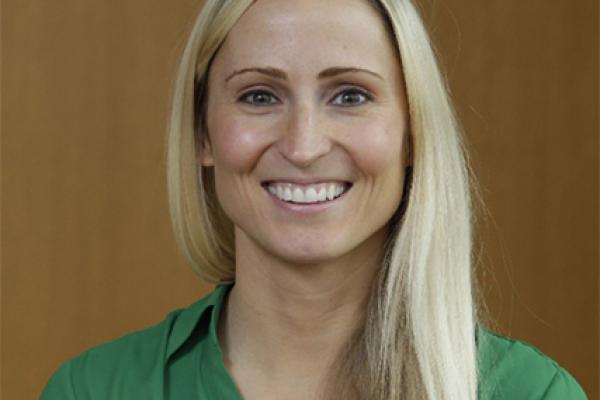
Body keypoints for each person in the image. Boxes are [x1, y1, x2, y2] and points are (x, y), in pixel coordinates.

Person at [41, 0, 588, 399]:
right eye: (259, 95)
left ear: (412, 134)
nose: (303, 146)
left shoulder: (529, 392)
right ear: (203, 136)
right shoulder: (94, 389)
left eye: (350, 95)